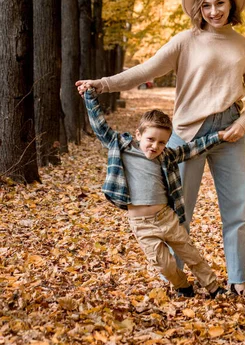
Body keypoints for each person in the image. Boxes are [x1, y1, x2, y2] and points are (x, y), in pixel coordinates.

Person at [77, 0, 245, 296]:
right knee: (179, 212)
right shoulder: (185, 41)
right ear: (198, 8)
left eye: (220, 3)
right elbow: (145, 70)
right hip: (185, 134)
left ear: (231, 3)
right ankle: (178, 281)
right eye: (206, 5)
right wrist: (102, 83)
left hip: (229, 133)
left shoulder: (244, 46)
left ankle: (238, 279)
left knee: (236, 211)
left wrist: (243, 123)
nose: (214, 11)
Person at [84, 87, 227, 298]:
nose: (155, 146)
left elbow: (191, 149)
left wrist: (218, 136)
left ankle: (214, 288)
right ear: (138, 134)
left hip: (166, 218)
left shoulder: (166, 156)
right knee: (164, 264)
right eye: (150, 139)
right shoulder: (123, 148)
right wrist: (90, 96)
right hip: (141, 225)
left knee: (191, 255)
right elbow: (100, 127)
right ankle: (182, 286)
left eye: (162, 142)